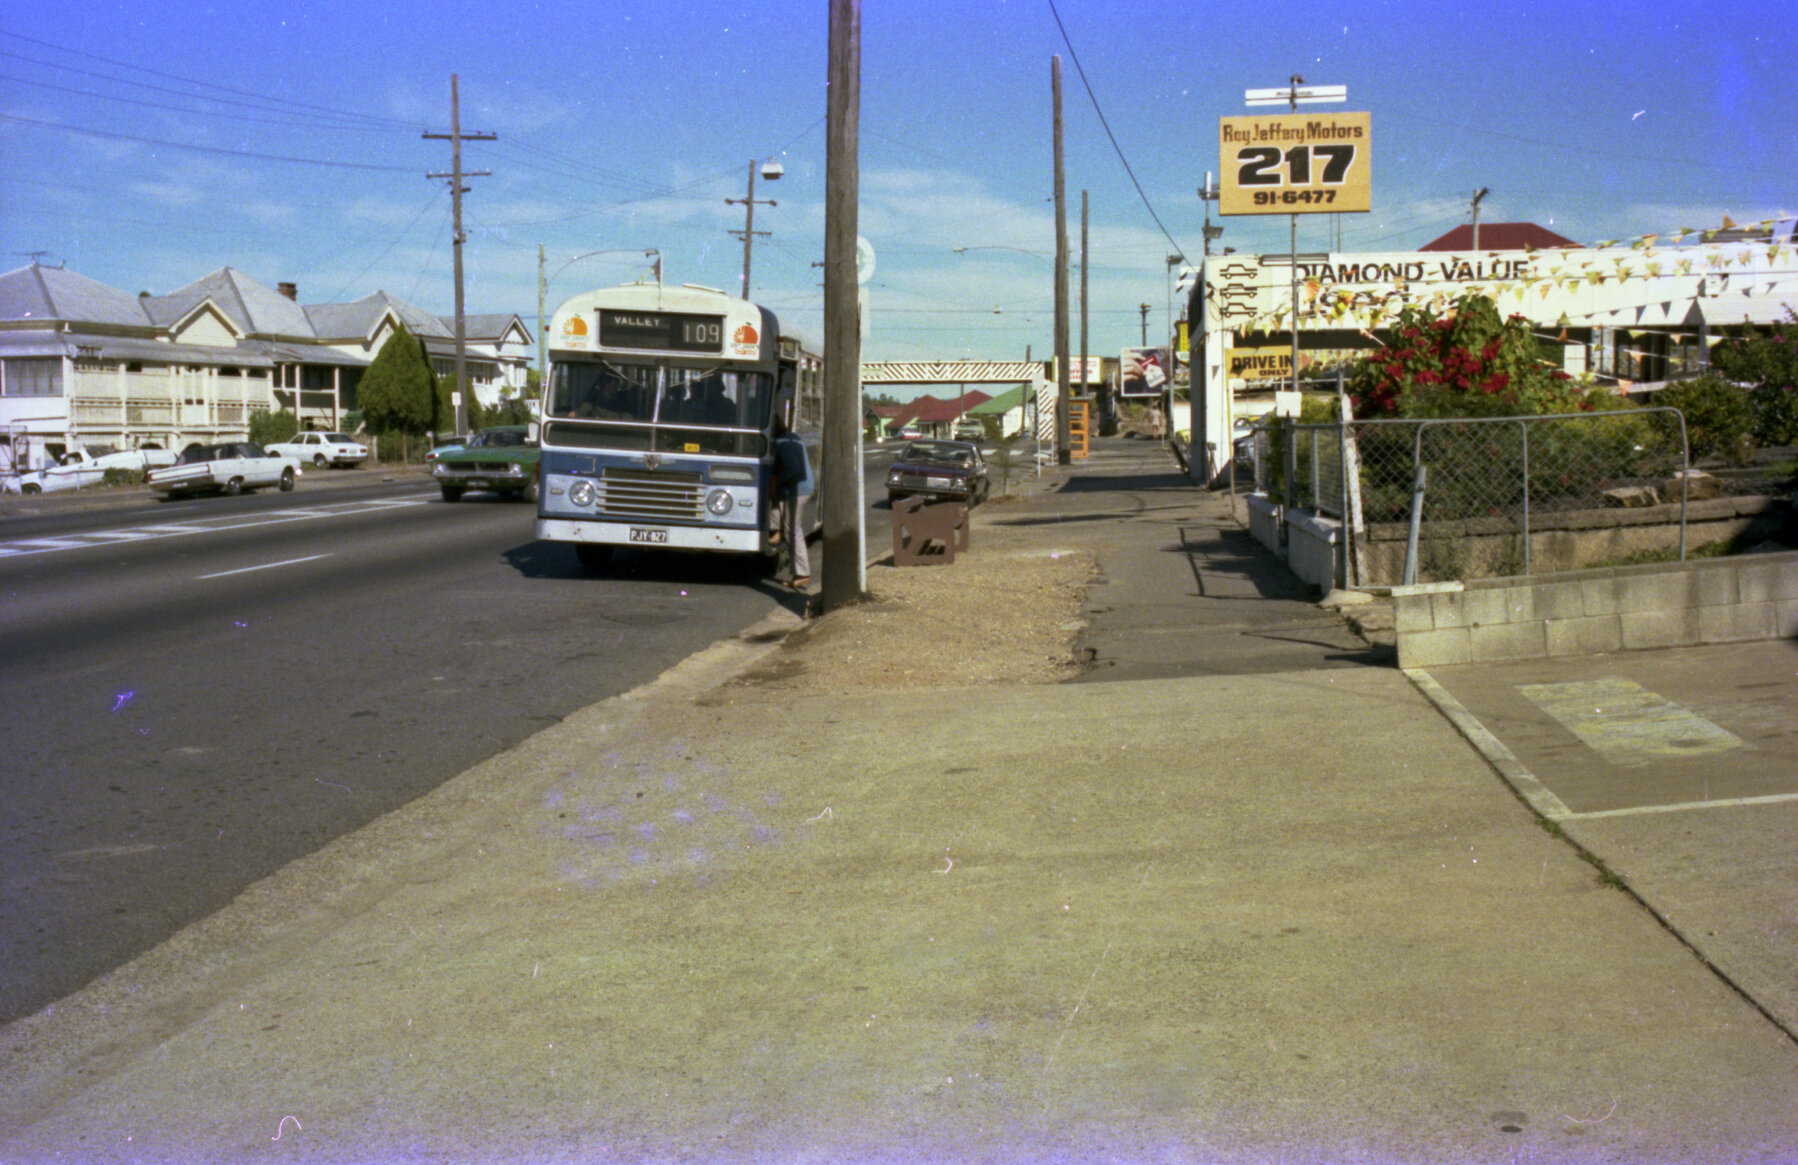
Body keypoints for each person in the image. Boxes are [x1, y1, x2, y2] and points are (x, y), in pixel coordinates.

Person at [770, 421, 812, 590]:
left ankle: (803, 573)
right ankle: (776, 531)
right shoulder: (793, 438)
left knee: (792, 529)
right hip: (800, 487)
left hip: (798, 490)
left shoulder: (782, 444)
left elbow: (793, 468)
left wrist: (777, 481)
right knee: (775, 497)